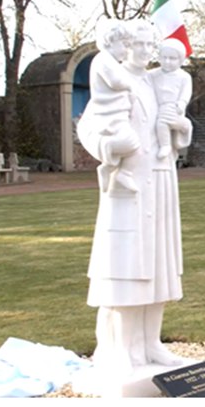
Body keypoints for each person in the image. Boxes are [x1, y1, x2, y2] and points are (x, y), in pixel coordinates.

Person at [77, 20, 193, 380]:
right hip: (127, 189)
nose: (146, 51)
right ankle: (121, 350)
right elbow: (88, 128)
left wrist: (182, 127)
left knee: (159, 264)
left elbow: (175, 125)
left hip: (160, 180)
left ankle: (151, 343)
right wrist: (111, 147)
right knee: (127, 267)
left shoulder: (156, 83)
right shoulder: (111, 81)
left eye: (150, 45)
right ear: (125, 46)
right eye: (140, 44)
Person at [84, 19, 138, 194]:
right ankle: (108, 151)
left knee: (135, 147)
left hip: (120, 114)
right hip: (109, 115)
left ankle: (111, 165)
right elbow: (115, 82)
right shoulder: (103, 60)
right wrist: (130, 84)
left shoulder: (114, 63)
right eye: (124, 45)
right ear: (110, 41)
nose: (127, 50)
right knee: (133, 144)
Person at [151, 38, 193, 160]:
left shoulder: (184, 77)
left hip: (174, 108)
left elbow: (186, 93)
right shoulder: (153, 74)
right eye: (164, 58)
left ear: (180, 60)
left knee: (162, 121)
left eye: (172, 58)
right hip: (159, 107)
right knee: (161, 121)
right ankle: (165, 144)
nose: (167, 61)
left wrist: (181, 103)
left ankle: (167, 144)